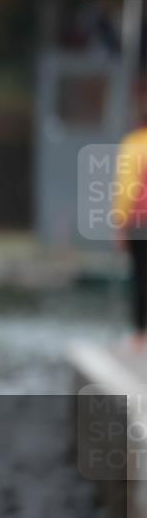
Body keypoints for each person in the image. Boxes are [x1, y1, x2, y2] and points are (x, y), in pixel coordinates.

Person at [115, 82, 147, 351]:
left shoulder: (133, 145)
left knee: (139, 276)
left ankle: (139, 333)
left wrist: (120, 225)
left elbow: (127, 187)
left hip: (139, 222)